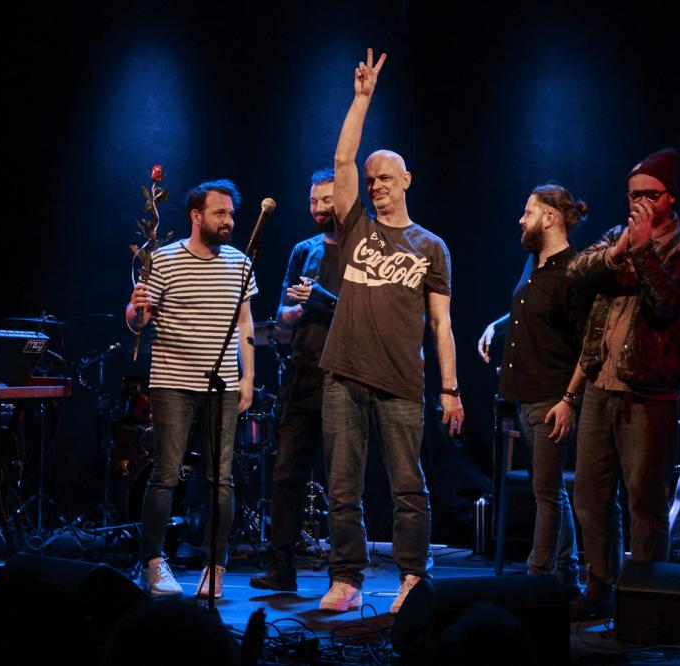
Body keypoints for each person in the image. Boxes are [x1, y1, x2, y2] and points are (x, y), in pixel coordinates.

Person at [317, 48, 464, 614]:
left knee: (408, 486)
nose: (376, 184)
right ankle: (346, 579)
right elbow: (342, 158)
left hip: (402, 382)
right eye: (371, 178)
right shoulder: (356, 226)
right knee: (342, 485)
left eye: (385, 177)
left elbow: (442, 323)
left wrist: (450, 389)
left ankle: (412, 578)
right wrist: (362, 100)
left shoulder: (432, 246)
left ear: (407, 180)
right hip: (344, 375)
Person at [565, 148, 680, 620]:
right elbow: (574, 273)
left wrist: (643, 250)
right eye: (632, 195)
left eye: (648, 195)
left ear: (669, 197)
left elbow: (667, 302)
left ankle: (646, 598)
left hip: (647, 395)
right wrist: (618, 251)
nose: (639, 203)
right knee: (589, 495)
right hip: (600, 387)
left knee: (645, 501)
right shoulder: (616, 236)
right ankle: (600, 585)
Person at [126, 179, 257, 598]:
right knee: (166, 475)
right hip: (173, 383)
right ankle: (153, 562)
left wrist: (248, 377)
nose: (229, 221)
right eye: (220, 213)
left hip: (223, 386)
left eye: (231, 214)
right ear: (196, 216)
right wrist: (134, 309)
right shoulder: (163, 260)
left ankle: (214, 567)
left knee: (221, 480)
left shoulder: (240, 262)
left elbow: (245, 323)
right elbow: (138, 321)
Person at [477, 184, 591, 600]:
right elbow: (530, 307)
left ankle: (536, 580)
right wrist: (496, 325)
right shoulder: (534, 263)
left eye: (528, 212)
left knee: (546, 495)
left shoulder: (575, 273)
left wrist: (569, 401)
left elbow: (589, 345)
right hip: (523, 397)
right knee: (550, 491)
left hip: (551, 398)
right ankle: (566, 577)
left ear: (550, 218)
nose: (520, 220)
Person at [250, 168, 340, 591]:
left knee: (342, 480)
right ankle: (281, 567)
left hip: (343, 378)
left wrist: (322, 300)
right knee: (286, 474)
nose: (318, 208)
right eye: (313, 201)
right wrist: (298, 309)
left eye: (327, 200)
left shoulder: (362, 249)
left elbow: (365, 315)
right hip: (300, 378)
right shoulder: (304, 250)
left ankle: (344, 572)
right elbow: (282, 323)